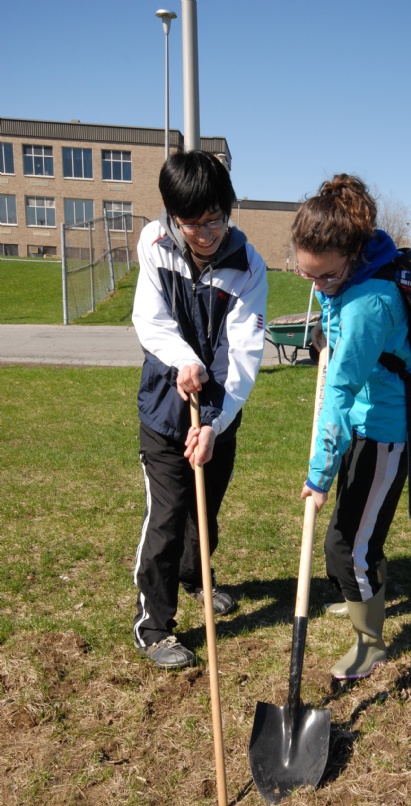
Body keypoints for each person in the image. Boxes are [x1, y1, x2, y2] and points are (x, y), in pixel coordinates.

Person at [131, 150, 268, 668]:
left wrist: (214, 424)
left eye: (215, 218)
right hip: (164, 410)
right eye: (193, 223)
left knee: (203, 514)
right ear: (172, 216)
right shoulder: (154, 243)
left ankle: (197, 581)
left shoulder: (247, 265)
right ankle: (154, 625)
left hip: (220, 414)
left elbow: (243, 355)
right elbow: (151, 318)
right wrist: (184, 360)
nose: (206, 233)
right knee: (166, 518)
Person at [292, 174, 411, 681]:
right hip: (362, 423)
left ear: (352, 255)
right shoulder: (346, 282)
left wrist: (320, 474)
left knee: (351, 546)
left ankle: (371, 642)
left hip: (387, 430)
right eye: (308, 275)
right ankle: (357, 599)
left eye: (326, 276)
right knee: (350, 537)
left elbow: (339, 392)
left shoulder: (369, 302)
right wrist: (327, 302)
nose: (318, 286)